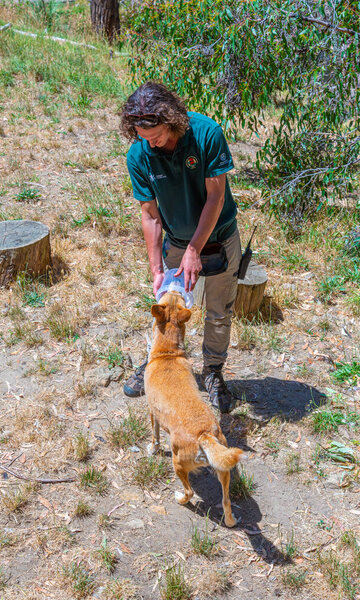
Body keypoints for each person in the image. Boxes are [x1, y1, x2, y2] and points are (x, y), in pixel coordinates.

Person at [119, 81, 241, 413]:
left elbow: (215, 198)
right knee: (167, 309)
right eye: (143, 137)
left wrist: (195, 251)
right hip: (176, 242)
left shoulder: (206, 134)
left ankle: (213, 373)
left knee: (218, 312)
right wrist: (157, 268)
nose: (152, 143)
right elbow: (150, 215)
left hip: (220, 237)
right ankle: (157, 362)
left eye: (156, 135)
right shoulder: (139, 155)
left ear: (172, 120)